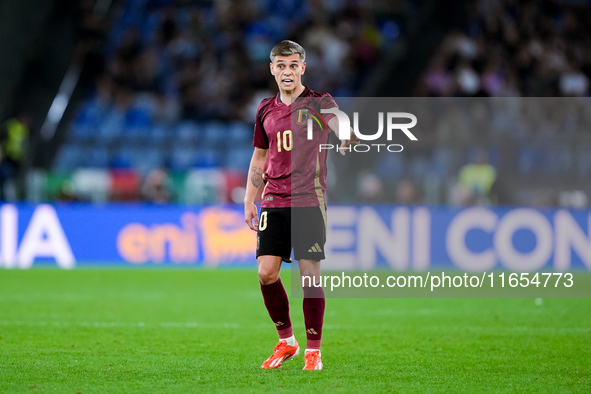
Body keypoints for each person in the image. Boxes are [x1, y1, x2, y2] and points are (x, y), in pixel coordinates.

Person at [244, 40, 354, 371]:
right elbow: (260, 157)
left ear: (302, 68)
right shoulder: (265, 109)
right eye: (281, 65)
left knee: (308, 275)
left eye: (293, 65)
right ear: (272, 69)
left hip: (309, 199)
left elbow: (339, 121)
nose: (287, 71)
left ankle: (313, 350)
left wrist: (346, 134)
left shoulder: (320, 102)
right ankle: (287, 342)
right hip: (273, 199)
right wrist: (250, 199)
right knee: (266, 273)